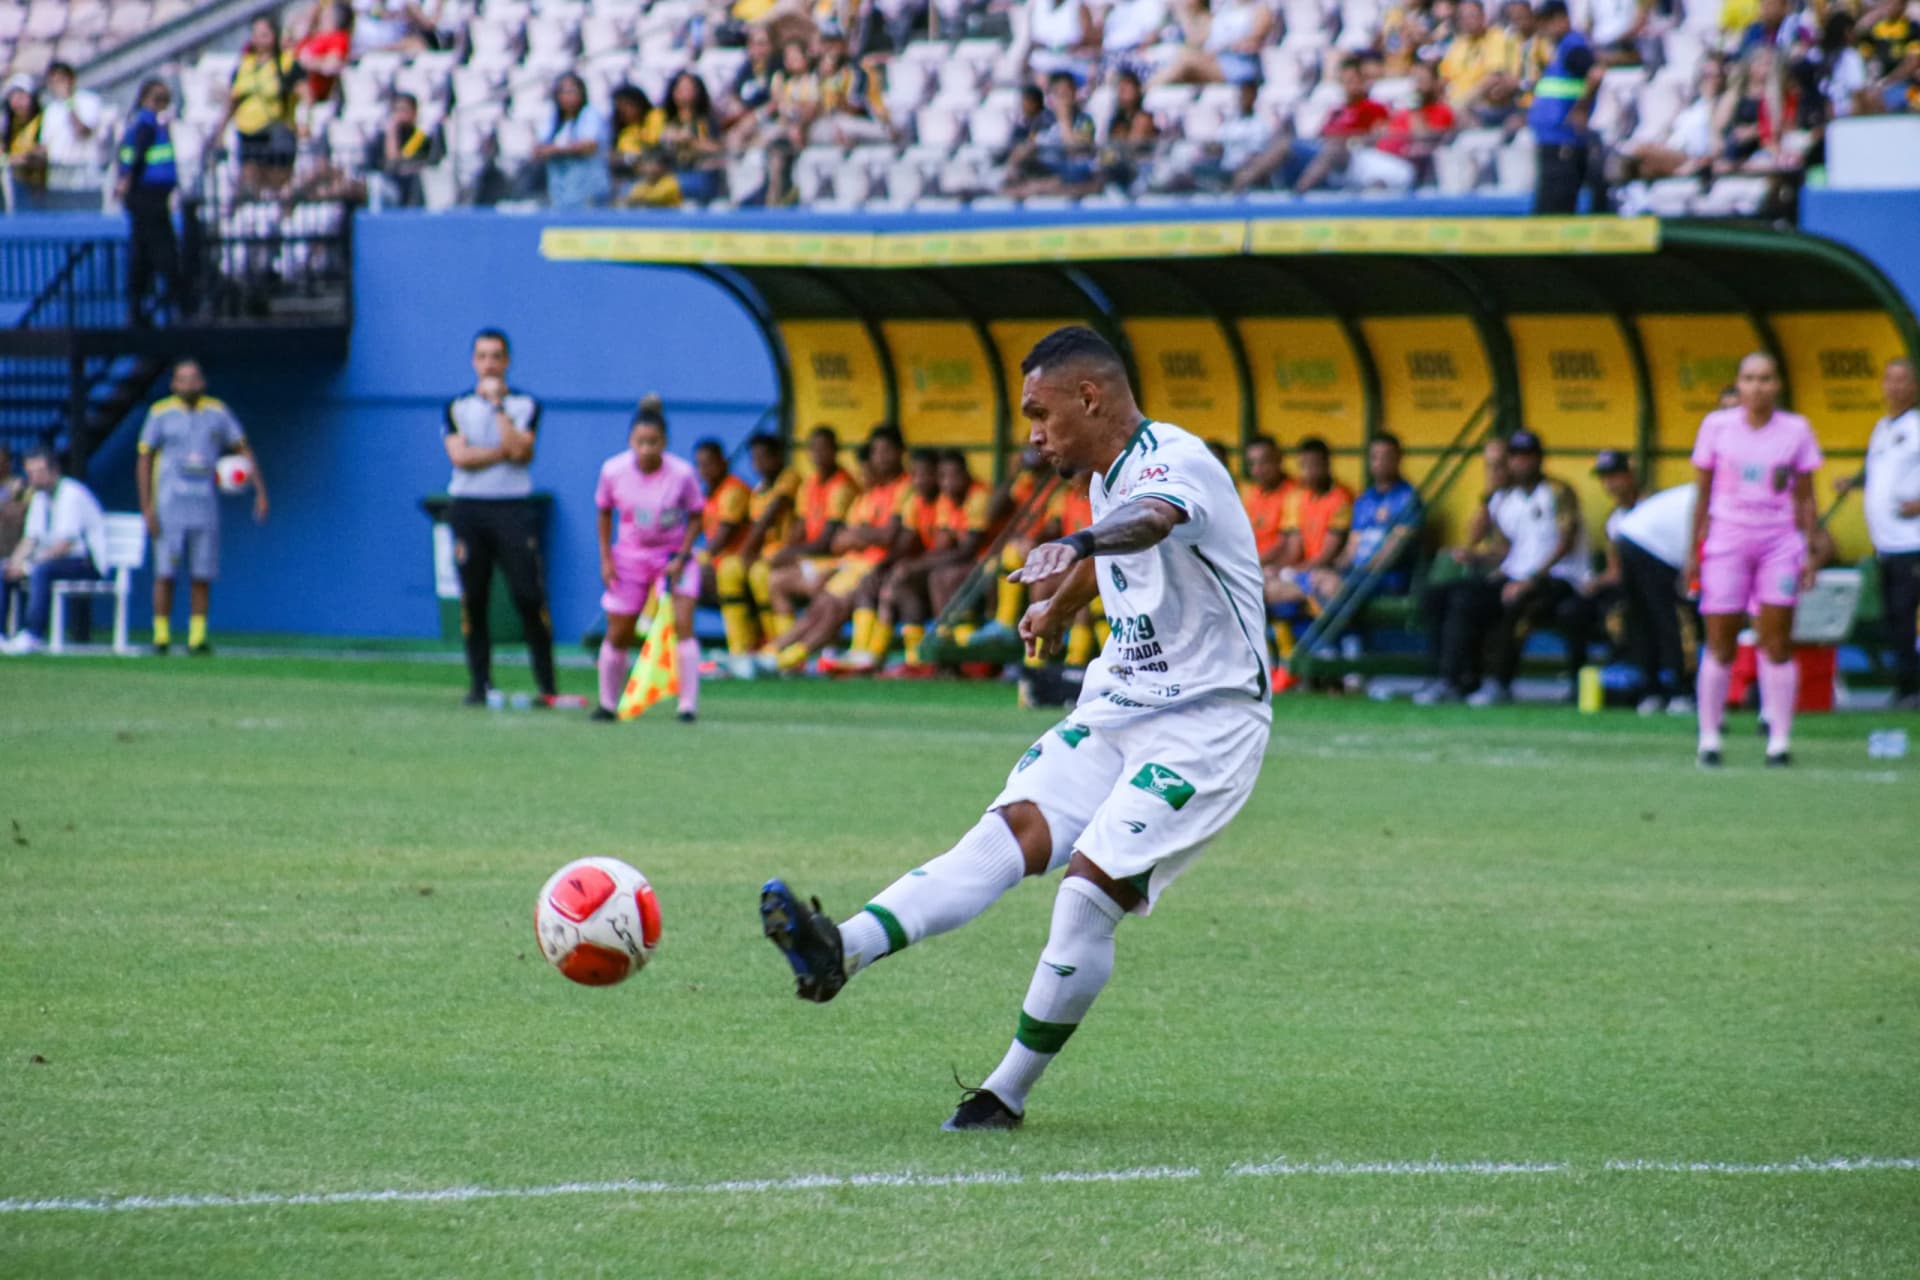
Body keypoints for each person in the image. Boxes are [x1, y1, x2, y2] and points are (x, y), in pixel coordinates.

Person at [758, 326, 1271, 1130]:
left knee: (1085, 897)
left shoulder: (1174, 461)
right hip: (1117, 708)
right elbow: (1118, 555)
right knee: (1003, 837)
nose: (1032, 433)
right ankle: (840, 950)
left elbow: (1151, 522)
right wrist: (1059, 602)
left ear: (1090, 397)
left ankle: (1004, 1094)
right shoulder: (1107, 477)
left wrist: (1073, 540)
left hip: (1205, 726)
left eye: (1040, 412)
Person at [1682, 352, 1823, 766]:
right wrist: (1694, 550)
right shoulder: (1716, 427)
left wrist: (1809, 550)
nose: (1757, 387)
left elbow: (1806, 496)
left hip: (1779, 541)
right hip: (1727, 539)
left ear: (1777, 385)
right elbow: (1703, 494)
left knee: (1777, 640)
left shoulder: (1795, 430)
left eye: (1765, 379)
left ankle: (1778, 739)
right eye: (1749, 379)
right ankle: (1709, 736)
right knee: (1721, 639)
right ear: (1738, 385)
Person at [1417, 430, 1590, 705]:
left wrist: (1531, 579)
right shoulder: (1506, 498)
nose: (1521, 463)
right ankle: (1452, 678)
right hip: (1516, 575)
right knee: (1443, 596)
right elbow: (1502, 548)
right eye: (1515, 457)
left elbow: (1565, 543)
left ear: (1539, 459)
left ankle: (1499, 682)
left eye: (1527, 457)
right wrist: (1476, 557)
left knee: (1514, 599)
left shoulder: (1557, 491)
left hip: (1558, 578)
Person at [443, 329, 558, 707]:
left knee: (527, 594)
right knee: (474, 597)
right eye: (482, 356)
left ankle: (547, 685)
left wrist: (496, 409)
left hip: (511, 507)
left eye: (496, 356)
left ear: (506, 361)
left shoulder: (524, 405)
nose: (489, 363)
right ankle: (480, 684)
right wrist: (502, 451)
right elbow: (460, 457)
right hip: (469, 507)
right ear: (473, 361)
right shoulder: (457, 406)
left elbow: (522, 453)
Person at [135, 360, 269, 657]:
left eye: (194, 378)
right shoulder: (160, 413)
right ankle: (161, 636)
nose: (189, 385)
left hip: (204, 506)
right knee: (165, 573)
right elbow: (144, 458)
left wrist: (259, 490)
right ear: (173, 384)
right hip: (169, 505)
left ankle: (197, 638)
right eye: (183, 379)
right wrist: (147, 506)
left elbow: (242, 449)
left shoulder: (217, 412)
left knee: (202, 573)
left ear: (203, 382)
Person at [592, 403, 705, 722]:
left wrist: (682, 555)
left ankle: (687, 706)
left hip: (673, 558)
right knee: (619, 631)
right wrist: (606, 558)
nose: (646, 449)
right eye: (640, 442)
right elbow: (603, 511)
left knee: (683, 623)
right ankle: (607, 703)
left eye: (653, 442)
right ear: (631, 441)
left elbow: (697, 515)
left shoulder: (681, 474)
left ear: (664, 442)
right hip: (629, 557)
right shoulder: (613, 471)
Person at [774, 424, 910, 673]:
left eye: (885, 451)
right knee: (821, 602)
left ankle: (799, 656)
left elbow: (891, 535)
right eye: (876, 452)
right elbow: (839, 540)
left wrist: (862, 535)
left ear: (900, 452)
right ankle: (778, 651)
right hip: (853, 563)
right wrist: (868, 536)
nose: (880, 458)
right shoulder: (869, 495)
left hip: (876, 565)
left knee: (834, 603)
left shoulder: (905, 488)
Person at [1835, 358, 1920, 709]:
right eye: (1890, 380)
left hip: (1913, 543)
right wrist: (1854, 483)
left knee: (1905, 616)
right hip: (1885, 544)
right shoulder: (1883, 427)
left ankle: (1911, 688)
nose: (1895, 387)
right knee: (1893, 619)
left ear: (1915, 386)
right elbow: (1883, 475)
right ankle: (1905, 686)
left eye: (1903, 380)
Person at [1606, 468, 1697, 716]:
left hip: (1631, 539)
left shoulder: (1696, 493)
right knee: (1672, 620)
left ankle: (1651, 692)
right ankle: (1680, 691)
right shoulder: (1717, 500)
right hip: (1652, 548)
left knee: (1643, 620)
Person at [0, 449, 106, 656]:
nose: (33, 478)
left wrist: (27, 566)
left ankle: (33, 634)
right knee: (3, 569)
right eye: (30, 472)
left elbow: (65, 544)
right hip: (54, 562)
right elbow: (31, 538)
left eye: (39, 471)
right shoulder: (40, 498)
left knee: (40, 571)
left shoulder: (71, 494)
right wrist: (15, 563)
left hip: (86, 562)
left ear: (54, 470)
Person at [116, 80, 189, 327]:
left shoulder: (147, 124)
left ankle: (140, 307)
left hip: (150, 196)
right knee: (160, 250)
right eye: (157, 99)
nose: (162, 105)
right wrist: (127, 181)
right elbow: (137, 155)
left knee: (143, 251)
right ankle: (171, 305)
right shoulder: (146, 124)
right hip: (147, 197)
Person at [729, 432, 801, 667]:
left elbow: (770, 516)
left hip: (788, 551)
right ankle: (740, 648)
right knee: (728, 572)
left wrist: (746, 551)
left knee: (761, 574)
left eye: (764, 457)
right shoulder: (758, 489)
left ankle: (778, 645)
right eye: (754, 458)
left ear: (778, 456)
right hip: (763, 553)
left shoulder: (789, 478)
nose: (758, 464)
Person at [1324, 431, 1421, 598]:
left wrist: (1355, 571)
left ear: (1399, 459)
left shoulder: (1408, 498)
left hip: (1387, 578)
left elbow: (1391, 554)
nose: (1381, 463)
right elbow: (1351, 548)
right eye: (1375, 457)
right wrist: (1334, 568)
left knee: (1330, 587)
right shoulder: (1364, 500)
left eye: (1387, 457)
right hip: (1356, 576)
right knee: (1315, 580)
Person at [1527, 0, 1600, 214]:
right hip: (1552, 139)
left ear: (1560, 19)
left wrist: (1580, 109)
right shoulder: (1561, 48)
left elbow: (1595, 74)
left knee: (1556, 205)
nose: (1543, 28)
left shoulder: (1573, 47)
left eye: (1546, 22)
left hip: (1564, 141)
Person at [215, 15, 298, 195]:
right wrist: (221, 131)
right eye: (256, 34)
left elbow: (302, 92)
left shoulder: (285, 63)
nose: (260, 39)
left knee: (276, 181)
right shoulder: (245, 64)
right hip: (248, 132)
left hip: (276, 131)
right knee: (251, 179)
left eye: (265, 34)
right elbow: (233, 99)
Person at [694, 436, 754, 658]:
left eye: (710, 463)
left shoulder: (733, 490)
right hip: (720, 561)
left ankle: (741, 648)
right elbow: (693, 530)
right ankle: (657, 638)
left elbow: (722, 538)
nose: (705, 469)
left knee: (690, 573)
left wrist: (693, 558)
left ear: (724, 462)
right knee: (670, 571)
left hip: (738, 559)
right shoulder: (707, 494)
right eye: (700, 464)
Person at [536, 72, 608, 209]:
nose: (567, 97)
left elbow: (589, 146)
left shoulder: (590, 114)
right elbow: (538, 150)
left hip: (588, 190)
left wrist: (557, 149)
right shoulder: (553, 120)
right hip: (560, 189)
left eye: (571, 92)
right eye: (563, 92)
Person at [365, 92, 444, 207]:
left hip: (411, 188)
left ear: (414, 112)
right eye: (396, 110)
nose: (400, 115)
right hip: (388, 187)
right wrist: (392, 132)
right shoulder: (382, 138)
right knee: (375, 183)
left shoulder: (420, 137)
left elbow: (398, 161)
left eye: (404, 110)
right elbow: (380, 165)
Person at [40, 63, 104, 171]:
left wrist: (69, 102)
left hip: (83, 168)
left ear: (72, 79)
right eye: (53, 82)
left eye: (61, 80)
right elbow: (45, 145)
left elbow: (82, 132)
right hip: (58, 170)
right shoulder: (50, 110)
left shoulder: (89, 101)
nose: (57, 86)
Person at [2, 75, 47, 193]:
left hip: (37, 183)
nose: (17, 102)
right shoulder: (6, 125)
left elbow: (42, 151)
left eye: (22, 96)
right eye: (14, 97)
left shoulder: (43, 121)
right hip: (12, 183)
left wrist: (27, 157)